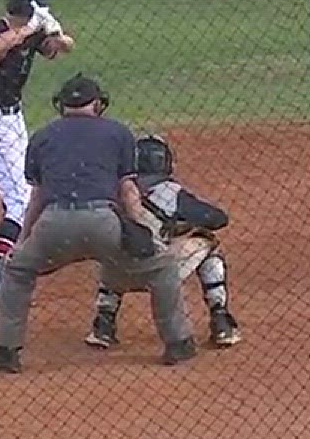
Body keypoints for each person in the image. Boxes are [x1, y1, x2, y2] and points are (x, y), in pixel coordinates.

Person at [0, 75, 196, 373]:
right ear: (97, 104)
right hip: (103, 224)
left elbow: (37, 197)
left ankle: (5, 350)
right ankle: (178, 343)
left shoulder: (43, 136)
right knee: (162, 266)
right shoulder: (118, 133)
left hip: (53, 226)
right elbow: (127, 191)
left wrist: (22, 243)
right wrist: (144, 232)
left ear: (62, 105)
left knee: (18, 271)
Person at [0, 0, 73, 307]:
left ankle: (13, 249)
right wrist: (31, 28)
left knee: (16, 193)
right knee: (21, 201)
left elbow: (61, 49)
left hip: (14, 121)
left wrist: (54, 31)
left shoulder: (31, 31)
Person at [85, 134, 241, 350]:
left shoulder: (111, 190)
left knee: (112, 244)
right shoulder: (172, 193)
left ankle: (103, 324)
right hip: (160, 274)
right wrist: (183, 225)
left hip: (115, 275)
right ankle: (220, 320)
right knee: (208, 242)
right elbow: (217, 219)